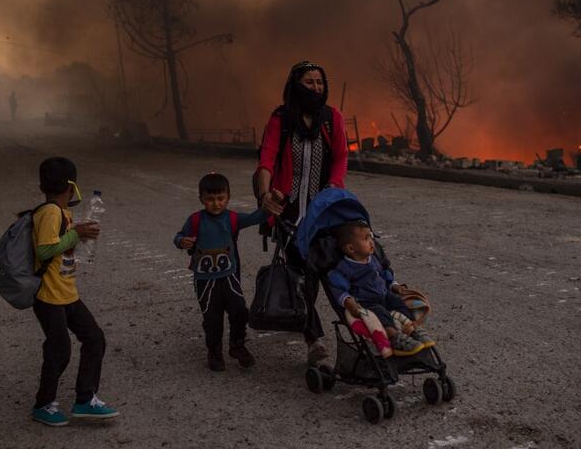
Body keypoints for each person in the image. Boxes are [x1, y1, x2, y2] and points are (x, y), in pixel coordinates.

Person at [254, 61, 349, 365]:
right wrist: (265, 195)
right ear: (296, 84)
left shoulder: (332, 119)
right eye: (309, 82)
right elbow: (266, 160)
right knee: (300, 276)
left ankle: (353, 327)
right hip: (289, 212)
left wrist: (334, 188)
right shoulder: (281, 119)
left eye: (320, 82)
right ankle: (314, 339)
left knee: (329, 271)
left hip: (323, 212)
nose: (316, 88)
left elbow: (341, 159)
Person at [30, 157, 119, 426]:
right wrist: (75, 234)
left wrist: (79, 237)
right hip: (48, 296)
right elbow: (44, 250)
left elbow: (61, 248)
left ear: (42, 185)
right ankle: (43, 404)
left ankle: (85, 399)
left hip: (66, 292)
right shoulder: (50, 213)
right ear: (72, 186)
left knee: (94, 338)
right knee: (59, 350)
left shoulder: (62, 213)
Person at [174, 172, 271, 371]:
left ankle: (237, 345)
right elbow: (179, 236)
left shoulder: (233, 218)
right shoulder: (195, 221)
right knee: (212, 319)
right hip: (205, 281)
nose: (216, 203)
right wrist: (181, 241)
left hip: (229, 277)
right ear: (201, 198)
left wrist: (273, 204)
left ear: (228, 197)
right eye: (210, 199)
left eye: (220, 198)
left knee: (239, 311)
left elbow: (256, 217)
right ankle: (215, 352)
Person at [328, 221, 435, 356]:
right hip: (367, 302)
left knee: (398, 302)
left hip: (384, 295)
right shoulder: (344, 269)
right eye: (366, 239)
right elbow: (338, 289)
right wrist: (349, 302)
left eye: (371, 237)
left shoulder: (373, 260)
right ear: (351, 248)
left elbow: (384, 274)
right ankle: (394, 337)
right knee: (380, 313)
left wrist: (394, 286)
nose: (371, 242)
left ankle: (412, 329)